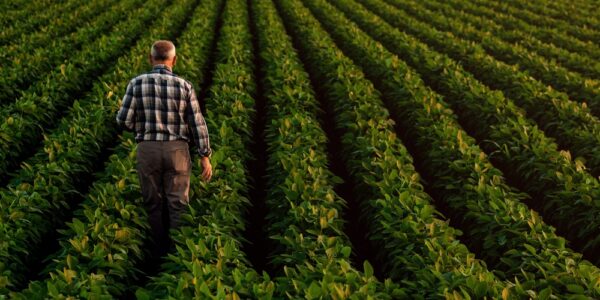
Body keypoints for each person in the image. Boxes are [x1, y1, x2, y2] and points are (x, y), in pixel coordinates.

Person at [116, 40, 212, 261]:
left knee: (152, 202)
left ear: (150, 59)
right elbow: (197, 124)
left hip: (147, 148)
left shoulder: (136, 84)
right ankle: (177, 256)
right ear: (174, 60)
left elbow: (123, 121)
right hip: (177, 151)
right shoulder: (184, 86)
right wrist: (204, 155)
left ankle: (156, 253)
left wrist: (140, 124)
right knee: (178, 204)